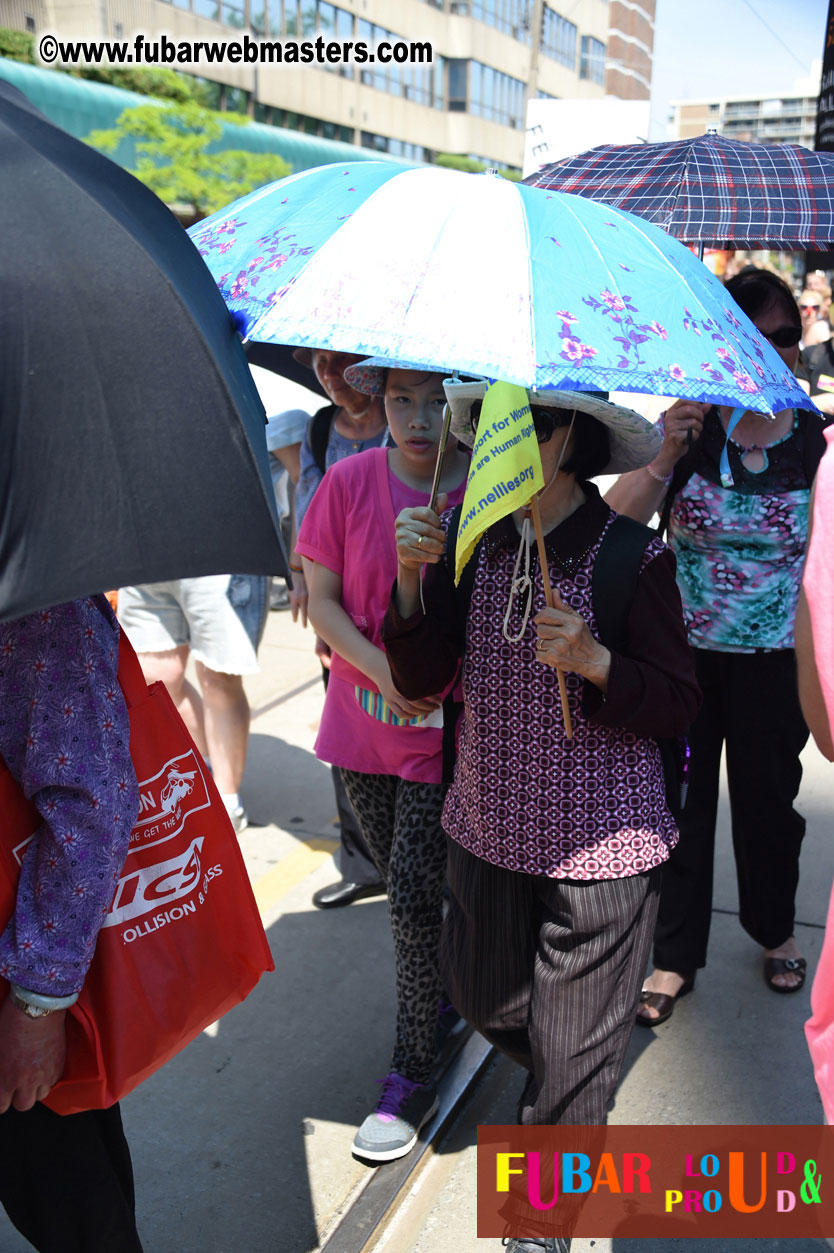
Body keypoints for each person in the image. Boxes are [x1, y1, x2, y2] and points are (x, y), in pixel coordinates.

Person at [383, 382, 699, 1251]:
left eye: (528, 423)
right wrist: (410, 583)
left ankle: (542, 1218)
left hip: (605, 844)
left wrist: (598, 662)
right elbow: (418, 679)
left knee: (572, 1047)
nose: (504, 439)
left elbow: (678, 701)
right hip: (487, 826)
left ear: (570, 440)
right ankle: (574, 1081)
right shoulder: (472, 542)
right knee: (492, 1004)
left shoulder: (632, 554)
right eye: (488, 423)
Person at [605, 268, 831, 1023]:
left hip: (779, 668)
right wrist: (662, 455)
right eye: (755, 337)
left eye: (787, 339)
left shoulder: (816, 441)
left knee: (770, 808)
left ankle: (773, 930)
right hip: (686, 663)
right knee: (681, 807)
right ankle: (674, 956)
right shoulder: (691, 429)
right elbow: (615, 523)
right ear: (725, 340)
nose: (774, 352)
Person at [296, 363, 469, 1162]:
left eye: (438, 400)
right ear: (378, 400)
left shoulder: (489, 489)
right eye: (402, 398)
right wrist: (380, 670)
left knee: (407, 896)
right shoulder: (351, 478)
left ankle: (410, 1067)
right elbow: (321, 598)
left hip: (446, 735)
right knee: (408, 892)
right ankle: (433, 1002)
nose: (419, 417)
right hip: (361, 728)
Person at [0, 595, 143, 1252]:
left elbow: (91, 809)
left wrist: (36, 1005)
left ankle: (511, 1208)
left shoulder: (31, 595)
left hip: (13, 972)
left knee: (77, 1206)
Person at [294, 347, 390, 909]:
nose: (328, 376)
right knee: (347, 730)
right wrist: (301, 578)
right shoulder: (320, 427)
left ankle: (414, 859)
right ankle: (362, 862)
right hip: (337, 601)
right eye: (317, 365)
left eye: (340, 363)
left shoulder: (410, 424)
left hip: (399, 602)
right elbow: (308, 504)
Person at [117, 574, 268, 834]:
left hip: (216, 558)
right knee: (155, 677)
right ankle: (204, 769)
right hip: (143, 556)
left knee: (218, 679)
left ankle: (227, 802)